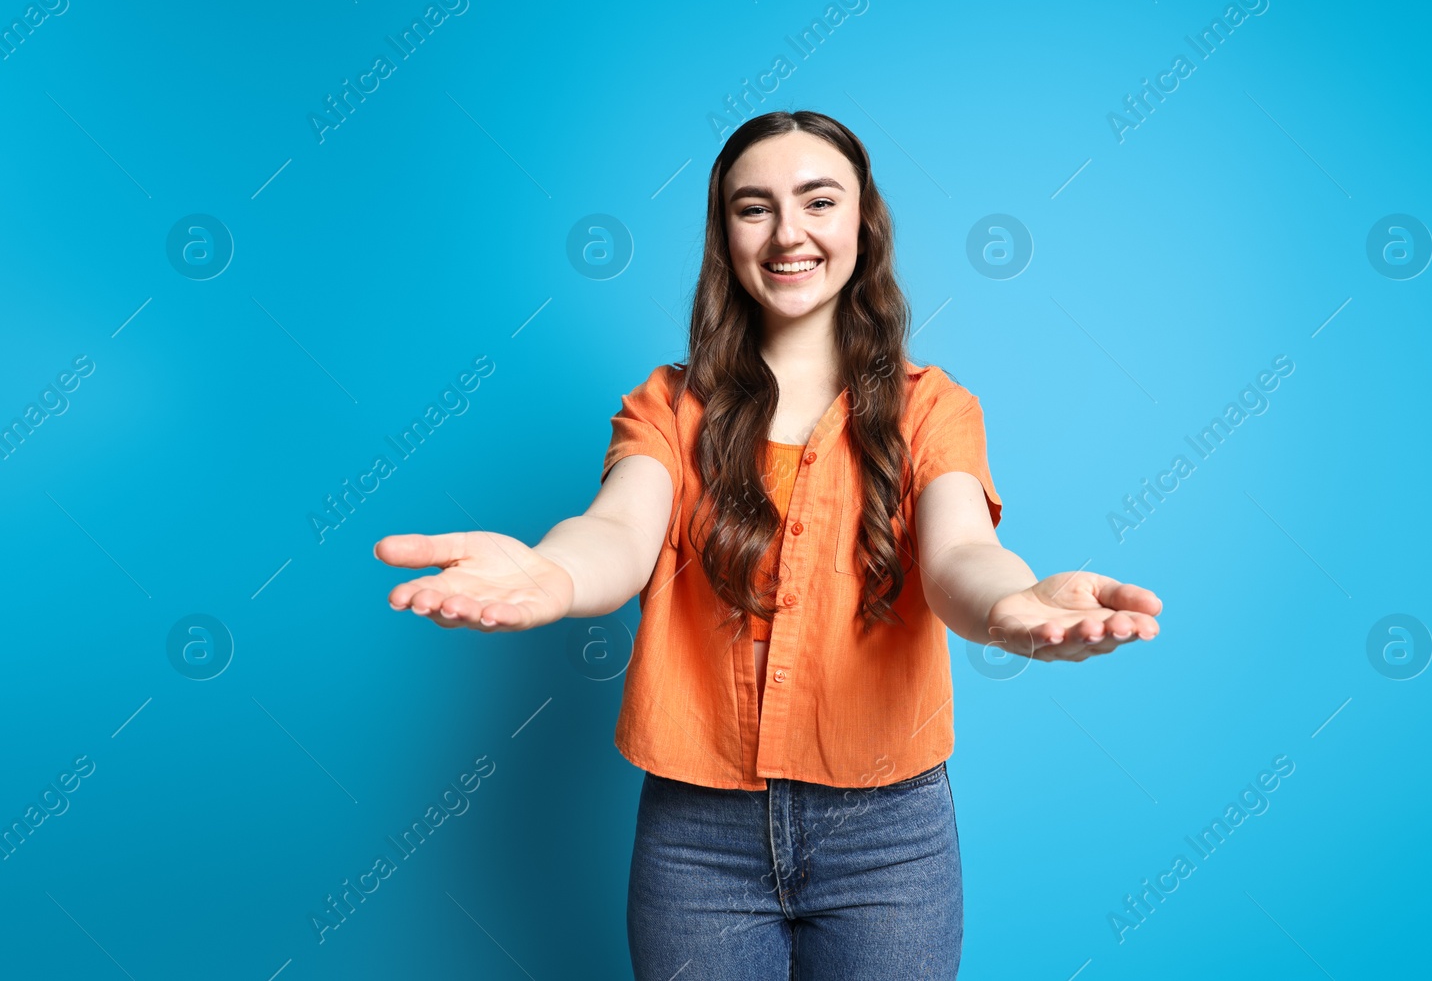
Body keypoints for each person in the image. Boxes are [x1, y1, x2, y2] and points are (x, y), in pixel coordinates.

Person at [374, 109, 1163, 978]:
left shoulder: (933, 407)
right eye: (755, 208)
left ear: (862, 222)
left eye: (818, 201)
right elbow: (619, 529)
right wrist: (557, 572)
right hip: (695, 837)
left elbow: (959, 554)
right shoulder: (669, 405)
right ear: (725, 235)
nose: (788, 232)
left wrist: (1011, 604)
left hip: (888, 834)